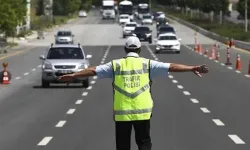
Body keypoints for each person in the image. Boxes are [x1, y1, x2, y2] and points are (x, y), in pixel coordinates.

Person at [58, 36, 209, 150]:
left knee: (123, 144)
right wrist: (191, 68)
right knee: (144, 142)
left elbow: (93, 70)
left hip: (122, 112)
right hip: (142, 112)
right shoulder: (148, 64)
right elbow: (172, 66)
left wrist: (74, 75)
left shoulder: (115, 65)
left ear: (125, 49)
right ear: (139, 49)